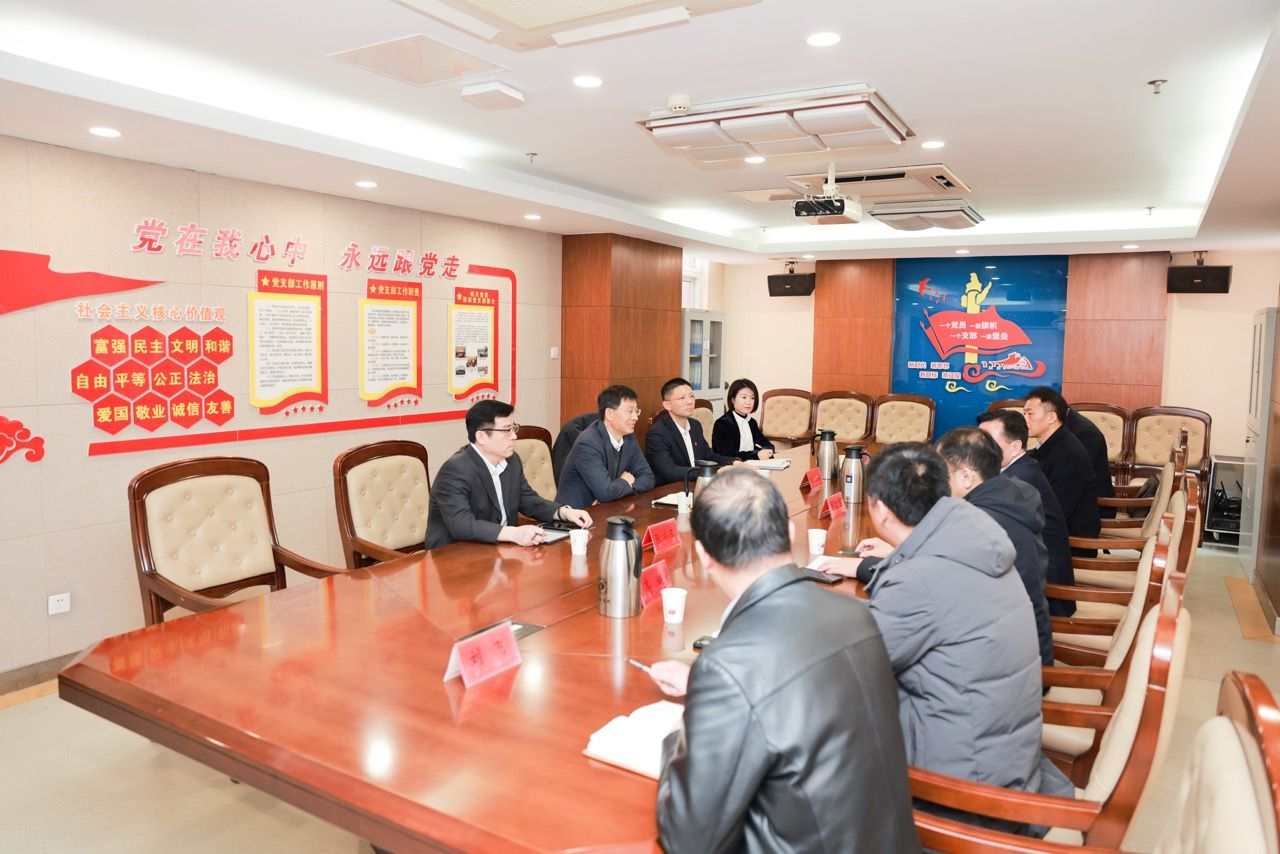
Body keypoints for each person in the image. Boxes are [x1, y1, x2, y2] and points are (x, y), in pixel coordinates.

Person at [647, 468, 919, 853]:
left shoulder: (729, 666)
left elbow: (687, 840)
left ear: (703, 556)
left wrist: (683, 727)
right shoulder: (857, 613)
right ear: (790, 534)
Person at [827, 442, 1070, 834]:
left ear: (880, 510)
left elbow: (845, 672)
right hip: (1005, 759)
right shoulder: (977, 536)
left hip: (963, 795)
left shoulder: (918, 583)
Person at [937, 427, 1053, 669]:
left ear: (966, 477)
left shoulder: (980, 523)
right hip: (1029, 645)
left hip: (1007, 664)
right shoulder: (1011, 493)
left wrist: (869, 565)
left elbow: (933, 581)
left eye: (943, 475)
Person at [424, 400, 592, 549]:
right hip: (455, 556)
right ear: (481, 436)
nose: (514, 436)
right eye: (506, 430)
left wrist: (563, 512)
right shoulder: (455, 470)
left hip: (500, 550)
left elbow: (528, 500)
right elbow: (462, 525)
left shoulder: (512, 461)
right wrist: (513, 533)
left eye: (514, 428)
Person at [978, 409, 1076, 616]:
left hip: (1046, 595)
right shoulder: (1021, 468)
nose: (979, 449)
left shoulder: (1018, 481)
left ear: (1015, 446)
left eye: (988, 442)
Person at [1023, 388, 1102, 554]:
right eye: (1024, 413)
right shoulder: (1053, 444)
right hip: (1050, 532)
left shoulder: (1068, 454)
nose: (1025, 420)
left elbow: (1056, 511)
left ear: (1051, 417)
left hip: (1068, 543)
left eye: (1030, 414)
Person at [555, 384, 655, 507]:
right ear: (609, 414)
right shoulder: (588, 443)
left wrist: (622, 487)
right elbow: (606, 492)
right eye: (630, 411)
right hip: (577, 512)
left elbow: (648, 477)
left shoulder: (629, 437)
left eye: (636, 411)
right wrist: (623, 482)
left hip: (608, 507)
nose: (635, 417)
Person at [644, 377, 736, 485]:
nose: (689, 401)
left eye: (691, 396)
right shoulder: (657, 433)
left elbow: (707, 455)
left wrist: (733, 462)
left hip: (694, 483)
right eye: (682, 398)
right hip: (669, 489)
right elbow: (670, 472)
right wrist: (712, 472)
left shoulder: (695, 425)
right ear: (667, 405)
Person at [711, 378, 776, 462]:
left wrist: (768, 450)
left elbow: (765, 443)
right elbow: (725, 453)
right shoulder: (723, 423)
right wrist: (756, 455)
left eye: (752, 398)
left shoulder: (752, 422)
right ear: (732, 399)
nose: (748, 402)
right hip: (732, 466)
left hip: (753, 464)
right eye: (744, 397)